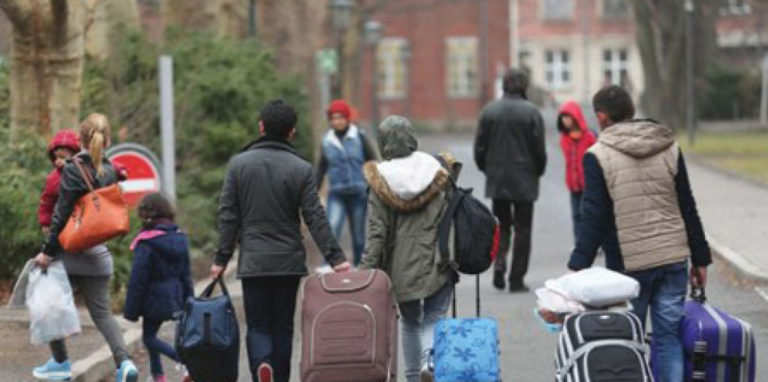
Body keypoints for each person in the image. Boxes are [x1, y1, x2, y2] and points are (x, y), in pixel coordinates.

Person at [567, 85, 711, 382]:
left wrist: (577, 265)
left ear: (602, 116)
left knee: (628, 343)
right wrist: (700, 258)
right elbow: (687, 204)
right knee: (668, 339)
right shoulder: (668, 145)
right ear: (631, 111)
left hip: (629, 266)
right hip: (672, 259)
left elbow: (594, 215)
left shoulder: (598, 155)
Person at [211, 100, 351, 382]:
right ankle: (281, 376)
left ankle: (262, 365)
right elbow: (315, 216)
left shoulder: (238, 165)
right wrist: (336, 258)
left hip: (254, 260)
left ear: (261, 127)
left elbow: (229, 216)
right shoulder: (300, 168)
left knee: (258, 324)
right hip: (288, 261)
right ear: (292, 132)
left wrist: (220, 259)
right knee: (283, 327)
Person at [34, 114, 140, 382]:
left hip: (68, 255)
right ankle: (125, 364)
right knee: (103, 315)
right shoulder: (112, 170)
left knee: (48, 304)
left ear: (79, 139)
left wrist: (47, 251)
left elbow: (62, 213)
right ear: (109, 139)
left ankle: (60, 363)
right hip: (99, 255)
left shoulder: (72, 170)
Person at [359, 115, 455, 382]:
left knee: (411, 322)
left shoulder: (381, 180)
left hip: (401, 267)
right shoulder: (437, 169)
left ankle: (414, 376)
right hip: (439, 257)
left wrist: (364, 272)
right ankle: (430, 360)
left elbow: (377, 233)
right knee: (435, 316)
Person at [474, 68, 547, 292]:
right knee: (523, 229)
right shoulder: (532, 112)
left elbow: (479, 148)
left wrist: (488, 170)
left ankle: (499, 263)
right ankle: (516, 279)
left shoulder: (489, 111)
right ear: (524, 86)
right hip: (525, 178)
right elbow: (539, 150)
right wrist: (537, 171)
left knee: (502, 226)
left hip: (498, 178)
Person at [124, 193, 193, 382]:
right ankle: (157, 375)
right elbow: (186, 274)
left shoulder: (146, 242)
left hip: (153, 299)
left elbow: (138, 278)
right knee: (150, 334)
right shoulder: (180, 238)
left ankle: (186, 362)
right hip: (175, 296)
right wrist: (189, 300)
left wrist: (131, 310)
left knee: (149, 339)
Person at [315, 100, 378, 266]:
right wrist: (314, 191)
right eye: (334, 118)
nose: (337, 121)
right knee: (333, 228)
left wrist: (374, 185)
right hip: (337, 193)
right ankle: (328, 265)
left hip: (358, 193)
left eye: (341, 117)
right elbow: (321, 167)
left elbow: (372, 160)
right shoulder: (327, 141)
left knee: (358, 235)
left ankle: (360, 266)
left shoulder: (359, 136)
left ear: (347, 118)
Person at [556, 101, 597, 240]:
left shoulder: (589, 137)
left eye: (567, 117)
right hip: (573, 184)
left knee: (588, 214)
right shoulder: (564, 139)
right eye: (563, 117)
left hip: (588, 183)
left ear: (576, 117)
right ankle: (579, 243)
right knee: (576, 215)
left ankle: (592, 242)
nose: (565, 120)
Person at [38, 130, 81, 236]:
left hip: (85, 219)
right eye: (56, 157)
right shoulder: (54, 178)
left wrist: (119, 170)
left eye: (63, 157)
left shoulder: (83, 171)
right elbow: (47, 201)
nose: (58, 161)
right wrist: (45, 222)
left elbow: (103, 165)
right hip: (64, 225)